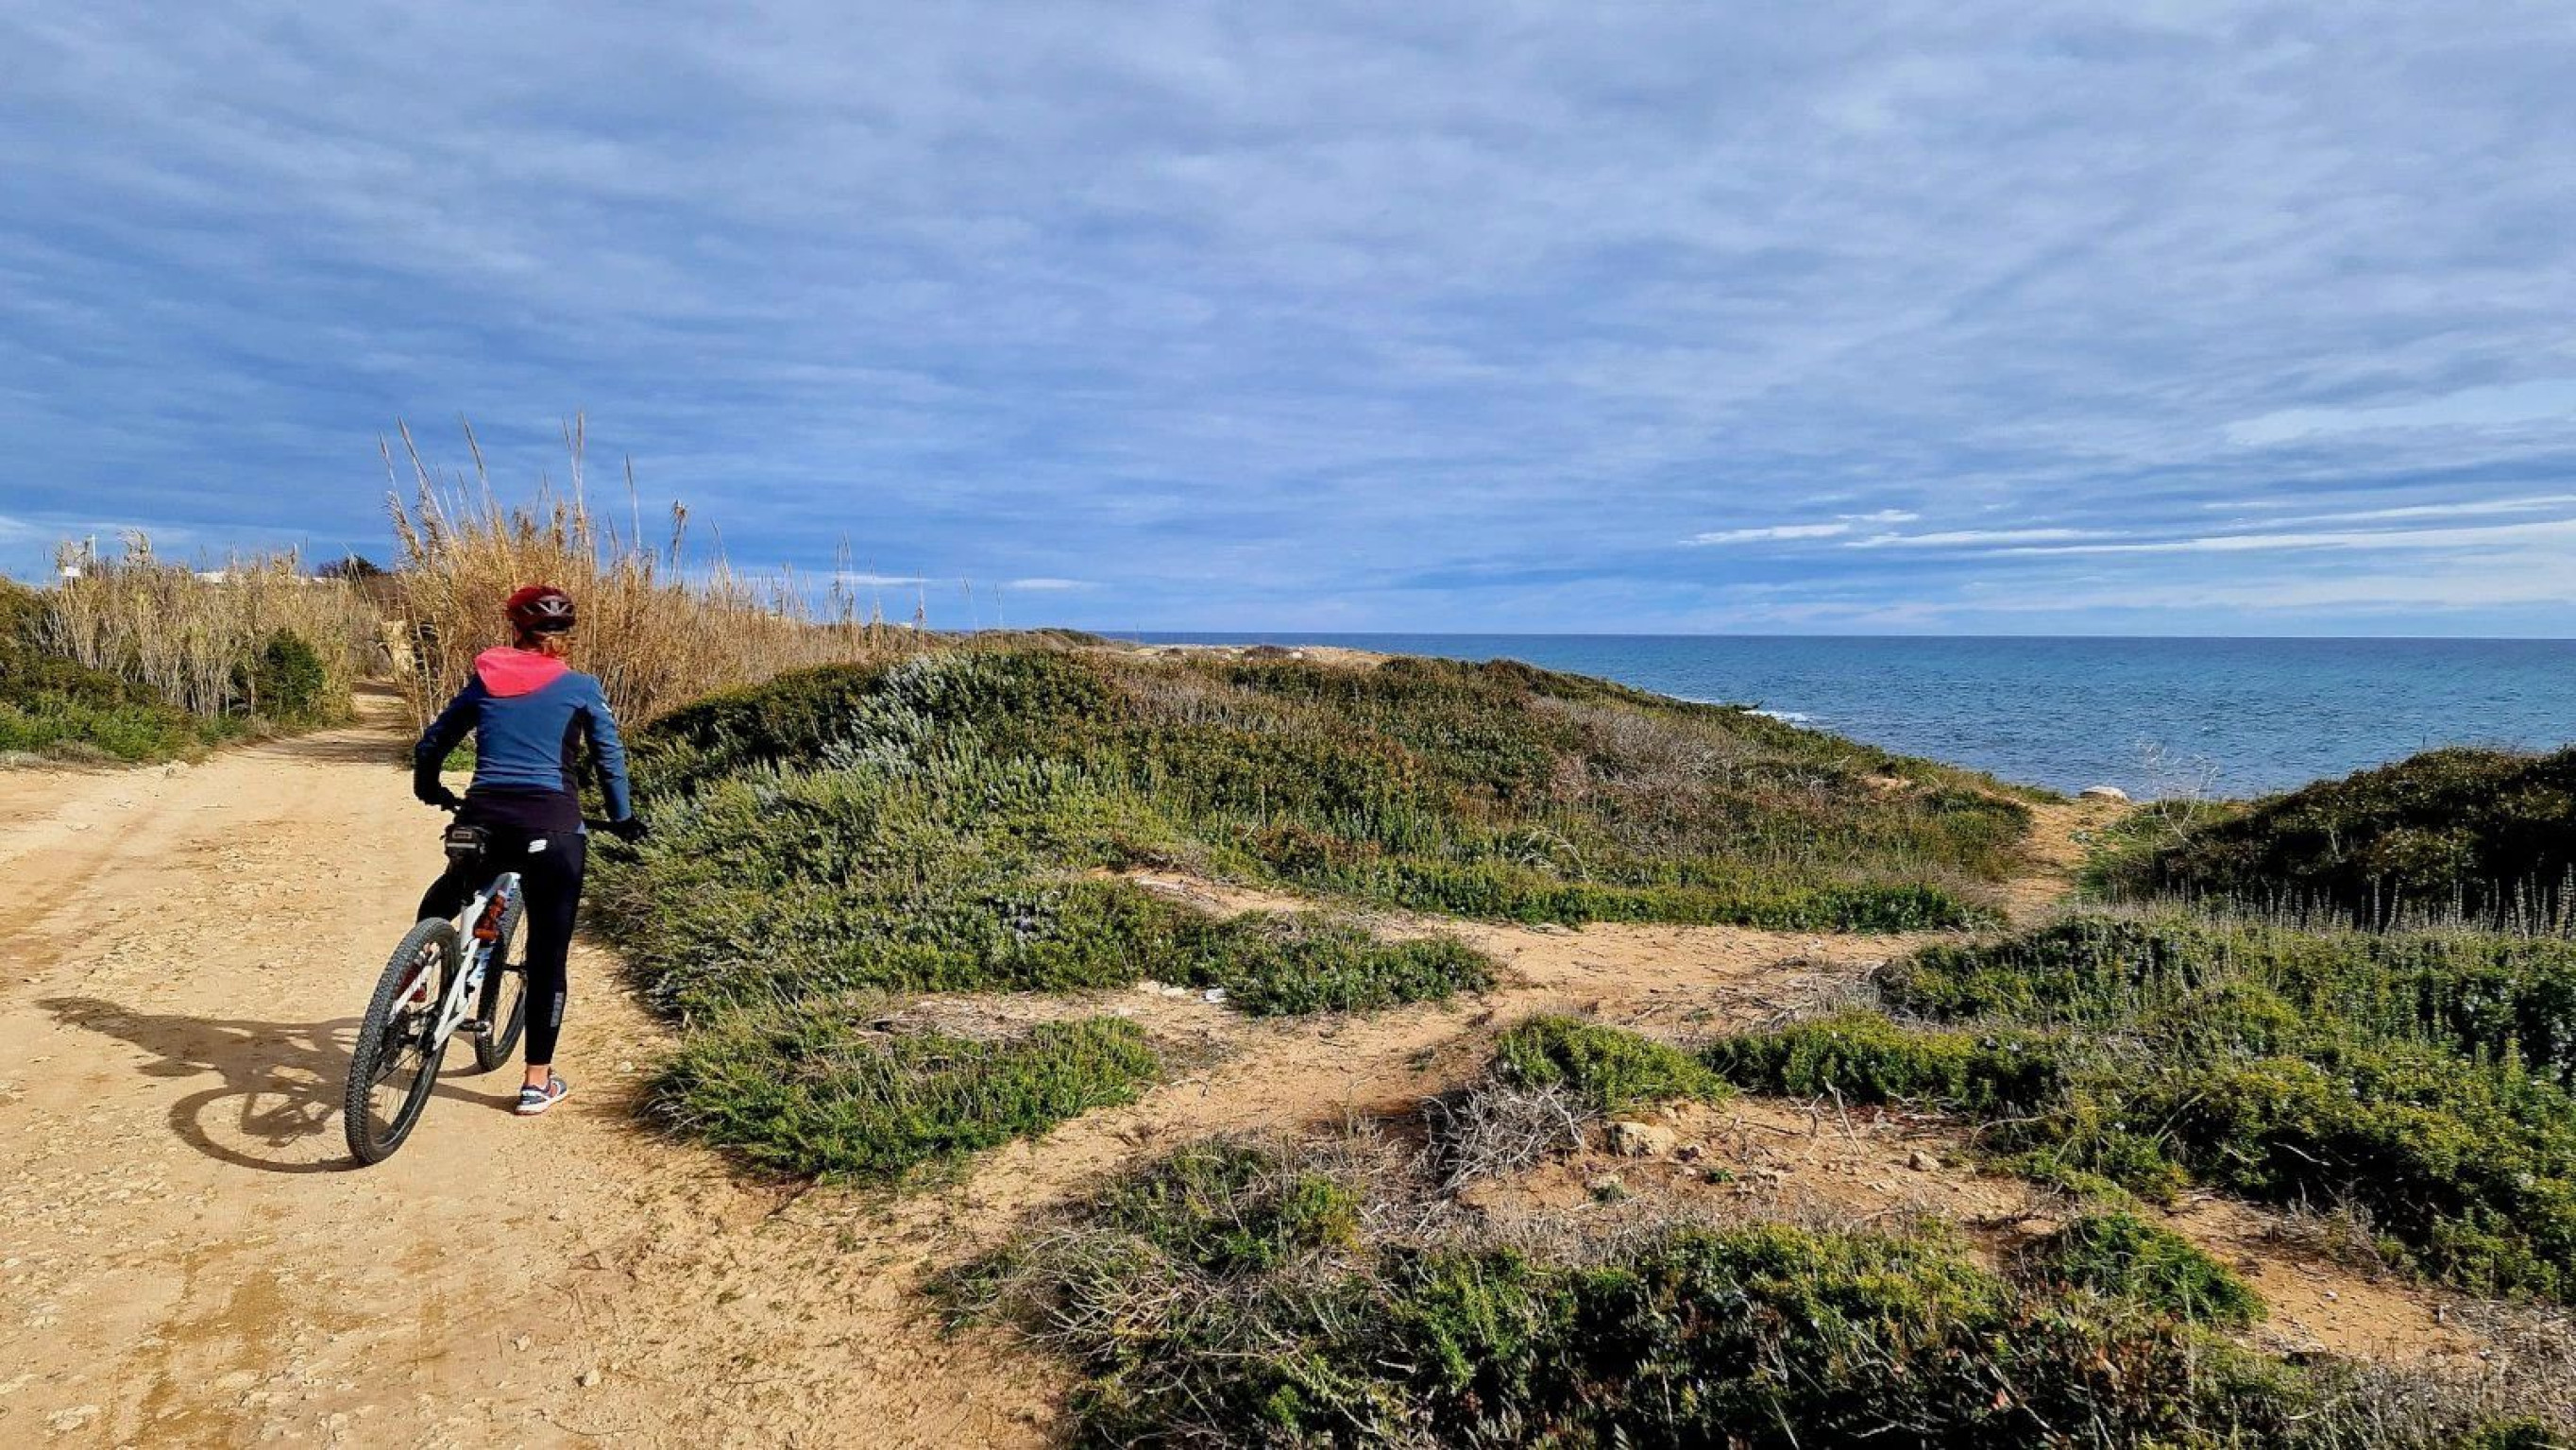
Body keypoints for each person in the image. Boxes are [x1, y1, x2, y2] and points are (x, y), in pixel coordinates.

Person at [411, 584, 645, 1116]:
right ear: (566, 638)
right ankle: (536, 1082)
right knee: (546, 957)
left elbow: (433, 744)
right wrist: (624, 818)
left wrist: (429, 787)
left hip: (483, 820)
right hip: (553, 828)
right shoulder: (581, 687)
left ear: (515, 630)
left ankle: (415, 986)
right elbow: (610, 760)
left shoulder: (486, 679)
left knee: (441, 901)